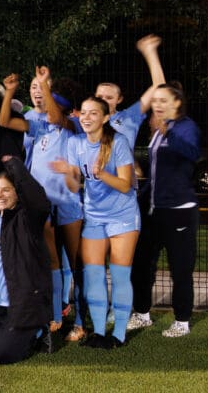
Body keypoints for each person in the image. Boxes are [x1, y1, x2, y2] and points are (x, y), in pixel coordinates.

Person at [0, 67, 85, 337]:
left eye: (51, 104)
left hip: (69, 206)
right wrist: (10, 92)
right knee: (51, 263)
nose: (46, 108)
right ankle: (53, 316)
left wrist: (45, 86)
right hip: (41, 206)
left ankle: (81, 321)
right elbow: (5, 121)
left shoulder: (74, 125)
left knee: (76, 264)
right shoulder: (40, 126)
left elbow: (58, 115)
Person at [51, 96, 138, 348]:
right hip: (95, 216)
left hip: (123, 216)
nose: (87, 118)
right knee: (93, 275)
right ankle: (99, 333)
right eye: (84, 113)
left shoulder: (118, 142)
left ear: (105, 118)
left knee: (120, 275)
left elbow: (125, 184)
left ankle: (118, 335)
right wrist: (70, 173)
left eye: (93, 113)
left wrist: (102, 175)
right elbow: (74, 186)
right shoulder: (75, 143)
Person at [128, 36, 201, 338]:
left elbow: (191, 152)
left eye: (163, 102)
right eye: (155, 103)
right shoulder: (158, 129)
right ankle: (142, 313)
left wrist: (168, 129)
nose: (156, 106)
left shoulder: (183, 126)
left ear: (177, 104)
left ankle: (182, 320)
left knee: (180, 269)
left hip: (179, 212)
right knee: (142, 263)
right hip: (154, 210)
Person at [0, 156, 52, 364]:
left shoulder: (27, 219)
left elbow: (39, 200)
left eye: (6, 190)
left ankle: (38, 331)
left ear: (17, 192)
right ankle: (8, 332)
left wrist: (15, 165)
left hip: (22, 307)